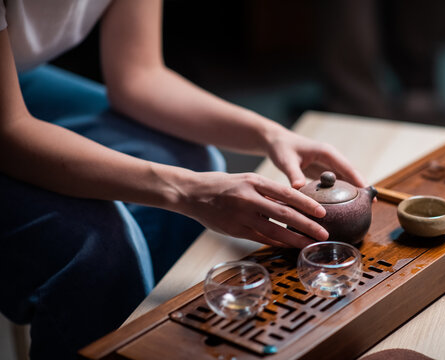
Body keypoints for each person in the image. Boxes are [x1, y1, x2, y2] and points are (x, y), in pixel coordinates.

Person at [0, 0, 366, 358]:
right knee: (98, 245)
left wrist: (270, 135)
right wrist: (188, 191)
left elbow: (139, 76)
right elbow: (9, 132)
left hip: (16, 72)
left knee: (195, 159)